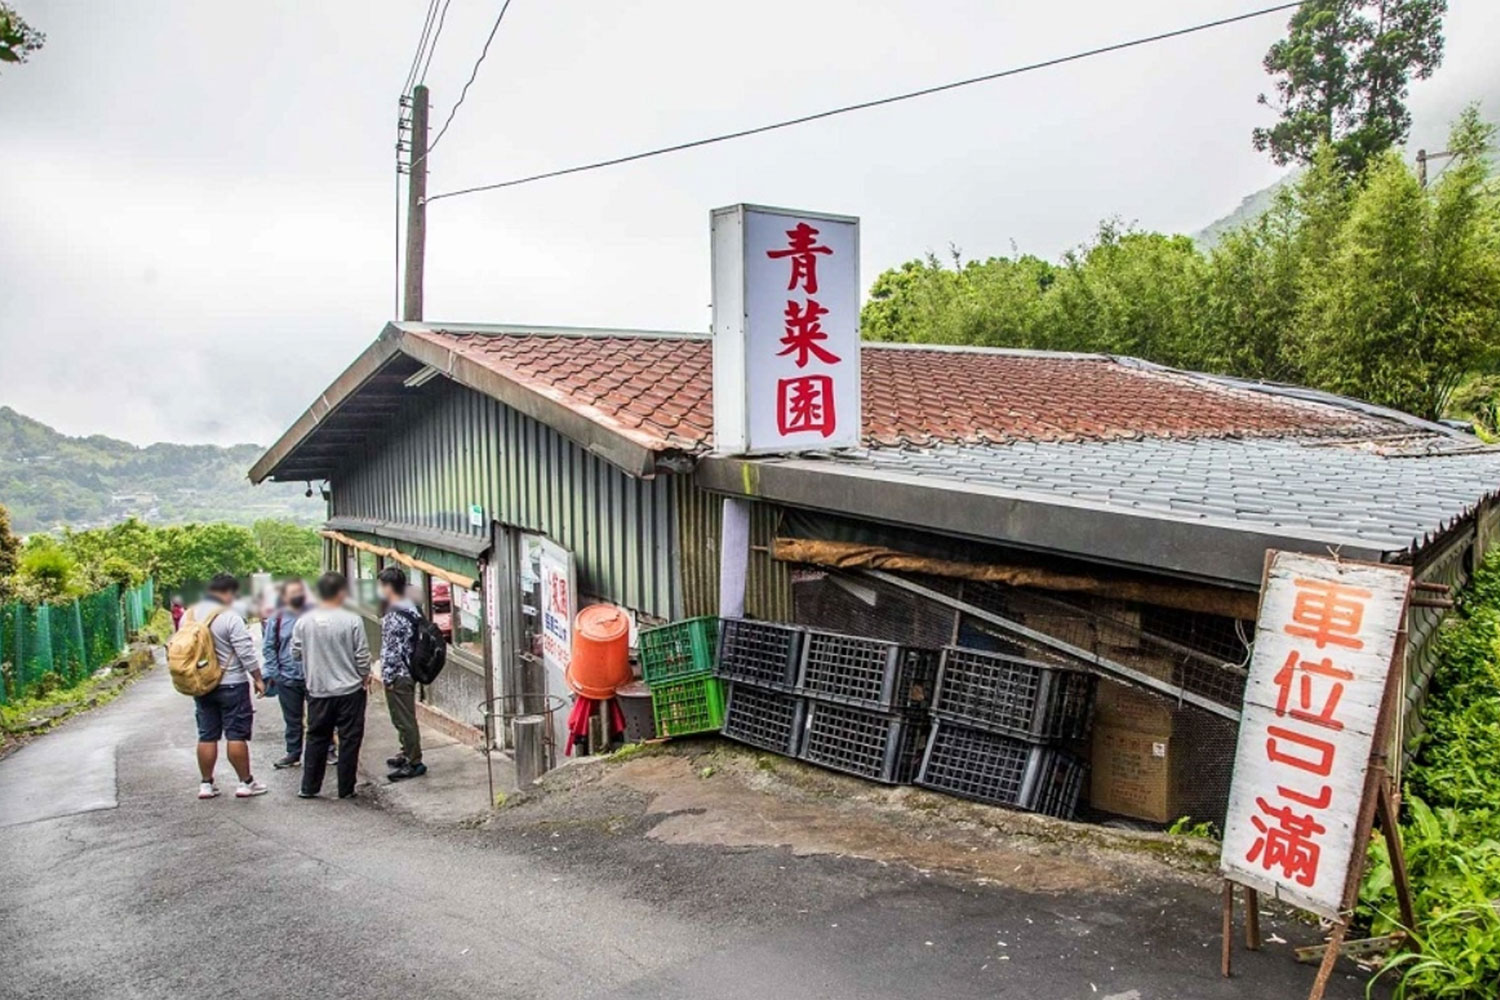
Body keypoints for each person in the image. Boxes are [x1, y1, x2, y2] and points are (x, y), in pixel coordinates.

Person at [292, 571, 371, 800]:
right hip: (350, 689)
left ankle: (309, 787)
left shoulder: (304, 621)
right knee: (349, 739)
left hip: (318, 689)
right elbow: (362, 654)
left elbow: (295, 652)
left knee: (316, 736)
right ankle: (345, 788)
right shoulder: (352, 619)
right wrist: (364, 675)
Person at [187, 574, 268, 800]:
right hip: (232, 683)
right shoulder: (230, 617)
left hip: (202, 684)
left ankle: (206, 784)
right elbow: (245, 651)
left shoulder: (190, 615)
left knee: (207, 735)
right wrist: (258, 677)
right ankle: (245, 782)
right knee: (236, 734)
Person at [377, 567, 427, 781]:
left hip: (399, 673)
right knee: (404, 716)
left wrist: (387, 677)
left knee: (404, 718)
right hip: (409, 670)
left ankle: (414, 761)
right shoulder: (410, 607)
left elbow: (392, 650)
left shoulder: (394, 615)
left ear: (388, 587)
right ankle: (406, 751)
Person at [262, 579, 310, 770]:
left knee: (319, 717)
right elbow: (268, 647)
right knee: (292, 719)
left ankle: (327, 749)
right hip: (288, 676)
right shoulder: (279, 617)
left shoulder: (313, 614)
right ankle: (293, 752)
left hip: (314, 676)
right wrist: (276, 674)